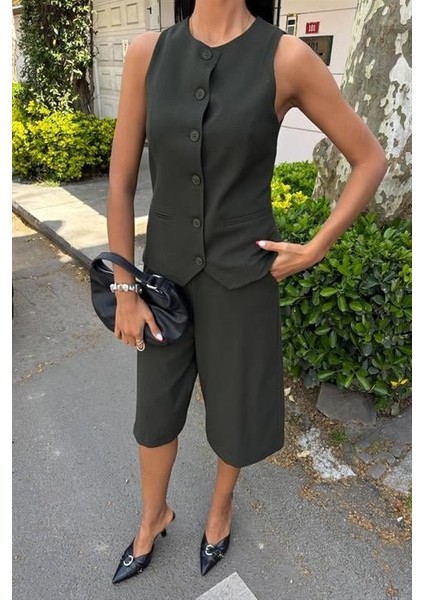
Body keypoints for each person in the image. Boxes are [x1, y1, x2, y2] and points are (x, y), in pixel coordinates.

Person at [106, 0, 388, 585]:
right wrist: (125, 287)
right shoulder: (147, 54)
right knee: (154, 414)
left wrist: (316, 247)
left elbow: (369, 159)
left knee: (235, 413)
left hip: (243, 279)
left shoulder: (286, 58)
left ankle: (220, 509)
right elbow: (122, 179)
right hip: (162, 284)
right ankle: (153, 515)